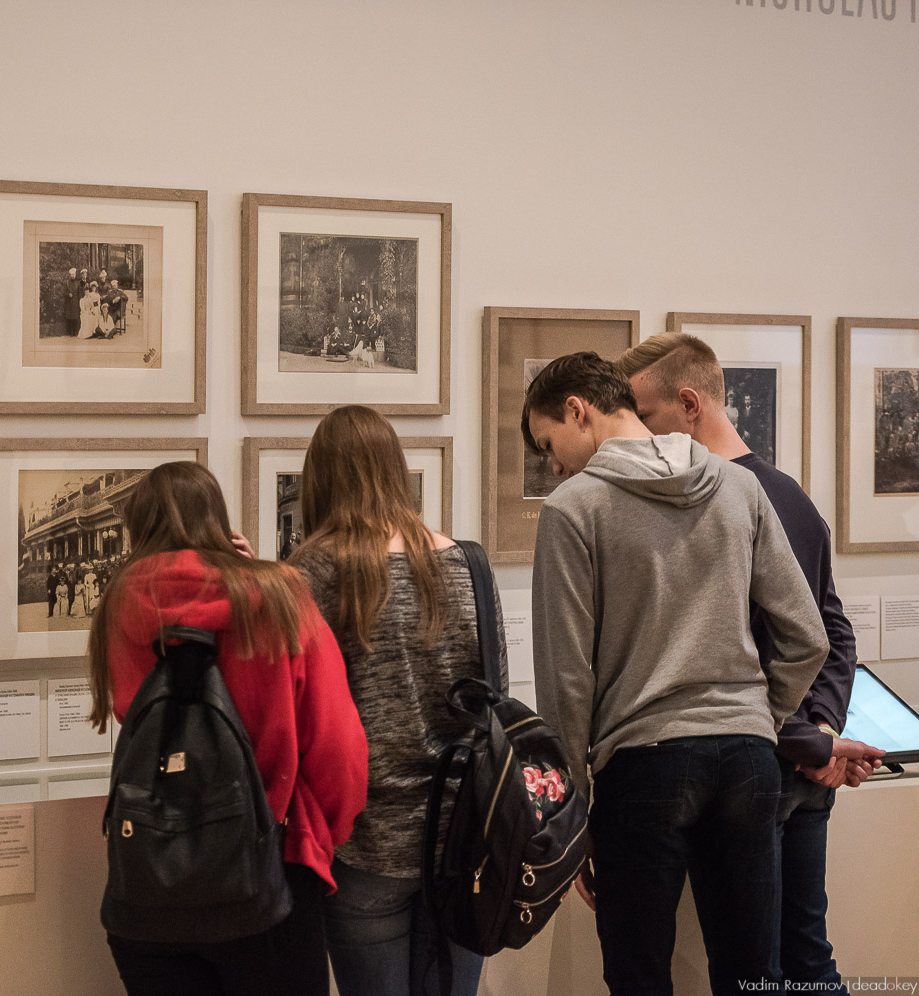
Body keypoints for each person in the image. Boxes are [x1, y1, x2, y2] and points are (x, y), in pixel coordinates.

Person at [522, 351, 829, 996]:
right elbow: (806, 636)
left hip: (642, 765)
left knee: (640, 979)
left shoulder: (572, 508)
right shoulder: (739, 487)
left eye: (549, 443)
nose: (552, 465)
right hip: (747, 762)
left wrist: (574, 809)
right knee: (755, 977)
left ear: (577, 409)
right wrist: (755, 718)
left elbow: (566, 681)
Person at [619, 334, 885, 994]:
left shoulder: (729, 500)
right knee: (802, 959)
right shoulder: (788, 493)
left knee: (757, 973)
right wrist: (817, 736)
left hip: (752, 769)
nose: (636, 437)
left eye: (643, 418)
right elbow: (832, 634)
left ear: (687, 404)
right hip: (791, 760)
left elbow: (792, 642)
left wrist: (806, 738)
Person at [87, 461, 368, 996]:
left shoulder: (120, 601)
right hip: (270, 871)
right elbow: (338, 746)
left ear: (137, 526)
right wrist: (322, 837)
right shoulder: (277, 592)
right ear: (218, 518)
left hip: (149, 877)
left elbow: (134, 716)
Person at [288, 405, 505, 996]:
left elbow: (299, 715)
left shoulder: (311, 572)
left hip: (362, 840)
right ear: (395, 470)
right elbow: (495, 698)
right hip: (461, 838)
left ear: (321, 477)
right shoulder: (467, 563)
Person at [63, 267, 82, 337]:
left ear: (75, 275)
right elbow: (64, 292)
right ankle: (71, 332)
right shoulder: (67, 283)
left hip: (76, 302)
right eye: (72, 275)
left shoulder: (78, 283)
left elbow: (79, 293)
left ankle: (76, 332)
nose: (73, 276)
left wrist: (80, 302)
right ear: (70, 275)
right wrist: (68, 294)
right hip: (69, 302)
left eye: (74, 274)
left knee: (76, 317)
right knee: (70, 317)